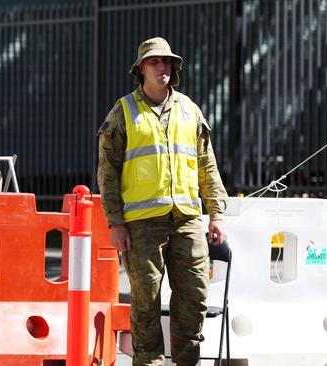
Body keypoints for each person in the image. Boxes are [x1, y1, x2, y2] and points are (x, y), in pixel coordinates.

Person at [96, 37, 228, 366]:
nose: (162, 67)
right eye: (155, 61)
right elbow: (107, 172)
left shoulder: (189, 110)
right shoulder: (123, 112)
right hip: (142, 226)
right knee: (145, 305)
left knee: (194, 298)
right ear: (141, 69)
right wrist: (115, 222)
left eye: (167, 61)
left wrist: (216, 214)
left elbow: (206, 165)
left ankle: (186, 362)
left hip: (187, 220)